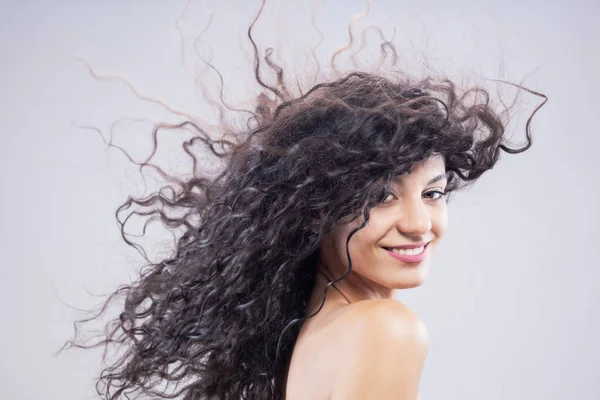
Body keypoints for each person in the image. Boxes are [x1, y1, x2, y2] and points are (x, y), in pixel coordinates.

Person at [64, 2, 547, 399]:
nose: (420, 223)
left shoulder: (308, 332)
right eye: (380, 197)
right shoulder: (385, 329)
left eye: (433, 193)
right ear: (318, 208)